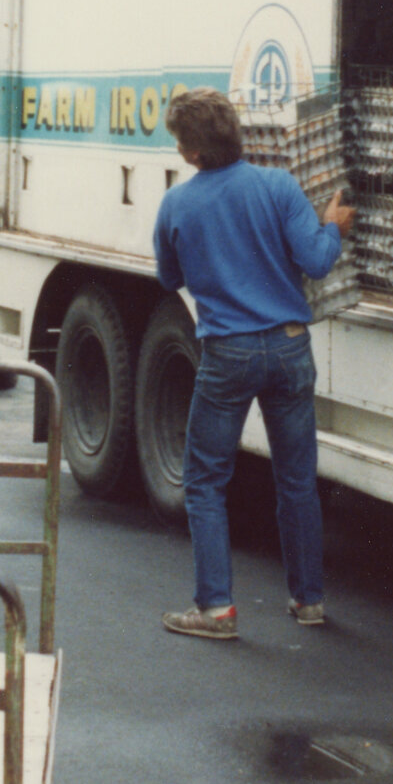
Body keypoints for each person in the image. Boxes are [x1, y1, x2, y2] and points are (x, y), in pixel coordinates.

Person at [154, 88, 354, 640]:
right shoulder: (279, 186)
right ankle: (309, 600)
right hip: (290, 347)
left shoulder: (177, 204)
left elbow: (169, 280)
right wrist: (334, 224)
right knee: (296, 481)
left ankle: (216, 610)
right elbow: (315, 260)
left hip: (228, 353)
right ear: (236, 134)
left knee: (206, 480)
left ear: (190, 154)